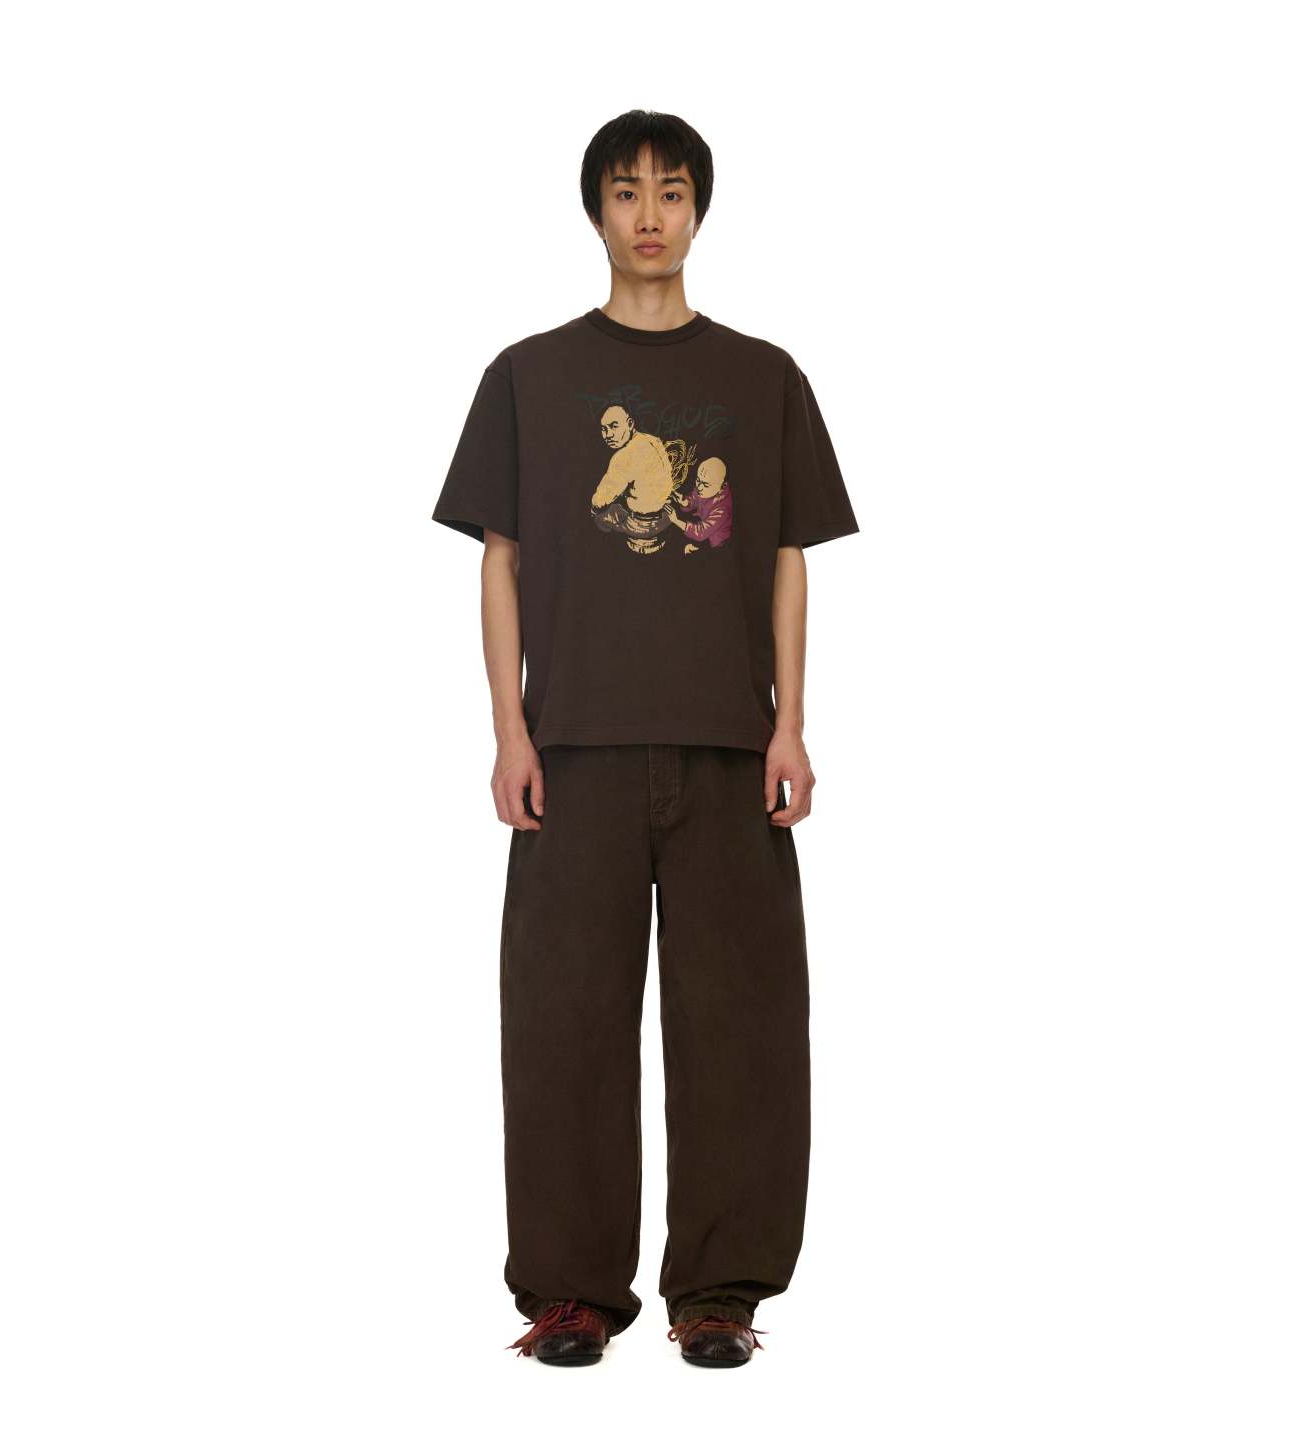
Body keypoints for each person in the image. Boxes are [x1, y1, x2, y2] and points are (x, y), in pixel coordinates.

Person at [430, 108, 860, 1368]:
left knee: (741, 1026)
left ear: (699, 208)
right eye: (626, 191)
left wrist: (790, 724)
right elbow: (499, 561)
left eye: (672, 190)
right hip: (573, 752)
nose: (650, 213)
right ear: (595, 210)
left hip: (729, 750)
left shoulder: (763, 377)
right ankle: (571, 1292)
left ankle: (718, 1291)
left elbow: (784, 559)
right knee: (560, 1025)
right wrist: (508, 728)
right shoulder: (527, 375)